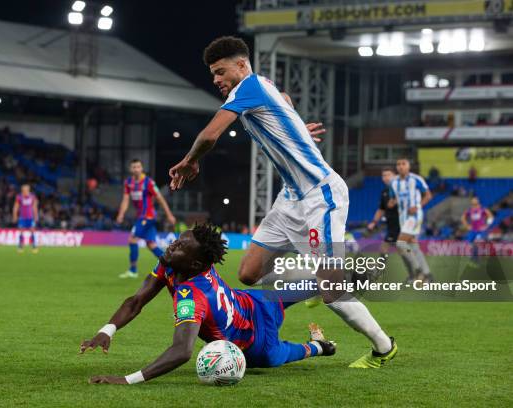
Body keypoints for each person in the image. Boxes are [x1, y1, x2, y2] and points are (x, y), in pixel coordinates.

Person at [167, 36, 396, 368]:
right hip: (290, 200)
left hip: (322, 195)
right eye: (213, 74)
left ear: (241, 65)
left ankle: (383, 347)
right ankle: (323, 277)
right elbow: (283, 100)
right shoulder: (263, 88)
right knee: (248, 273)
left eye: (220, 71)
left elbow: (210, 134)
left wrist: (190, 160)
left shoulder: (248, 86)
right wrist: (295, 127)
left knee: (333, 294)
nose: (216, 79)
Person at [80, 224, 336, 385]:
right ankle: (324, 333)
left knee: (282, 354)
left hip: (257, 341)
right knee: (314, 286)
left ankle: (320, 342)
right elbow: (136, 301)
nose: (172, 246)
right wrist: (107, 330)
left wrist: (127, 379)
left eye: (180, 246)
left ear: (194, 265)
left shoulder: (191, 296)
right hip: (252, 300)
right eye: (177, 241)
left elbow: (182, 351)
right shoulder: (174, 262)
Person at [116, 159, 176, 279]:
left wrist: (169, 214)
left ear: (142, 168)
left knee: (132, 239)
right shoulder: (128, 182)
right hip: (141, 216)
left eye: (138, 167)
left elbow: (160, 199)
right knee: (151, 244)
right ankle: (171, 266)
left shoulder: (148, 182)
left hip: (147, 216)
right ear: (130, 169)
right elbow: (125, 199)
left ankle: (133, 270)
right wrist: (121, 214)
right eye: (134, 167)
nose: (136, 169)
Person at [367, 167, 416, 282]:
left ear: (395, 176)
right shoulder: (385, 192)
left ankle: (378, 273)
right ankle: (413, 275)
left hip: (401, 225)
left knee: (388, 248)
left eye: (388, 175)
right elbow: (381, 209)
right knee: (392, 249)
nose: (385, 178)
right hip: (392, 225)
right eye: (383, 175)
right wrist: (374, 222)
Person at [389, 158, 433, 283]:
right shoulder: (394, 182)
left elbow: (428, 195)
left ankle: (418, 270)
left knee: (400, 243)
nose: (400, 166)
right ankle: (428, 275)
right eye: (398, 164)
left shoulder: (416, 179)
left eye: (403, 164)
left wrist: (417, 206)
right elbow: (394, 198)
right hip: (402, 217)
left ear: (408, 166)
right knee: (413, 245)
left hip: (414, 216)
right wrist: (392, 203)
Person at [461, 196, 493, 265]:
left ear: (478, 201)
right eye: (473, 200)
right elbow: (463, 218)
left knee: (477, 243)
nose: (474, 201)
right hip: (473, 230)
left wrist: (487, 225)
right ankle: (473, 258)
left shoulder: (483, 209)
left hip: (480, 231)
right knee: (469, 244)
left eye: (475, 200)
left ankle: (477, 260)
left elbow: (490, 216)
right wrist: (467, 226)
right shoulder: (469, 210)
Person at [12, 184, 39, 253]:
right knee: (21, 231)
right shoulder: (19, 197)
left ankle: (34, 246)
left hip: (30, 217)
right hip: (22, 217)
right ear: (22, 190)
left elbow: (34, 207)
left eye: (26, 190)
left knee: (32, 231)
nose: (25, 191)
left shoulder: (32, 197)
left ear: (28, 190)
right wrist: (15, 215)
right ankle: (20, 246)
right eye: (24, 190)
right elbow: (16, 207)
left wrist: (36, 216)